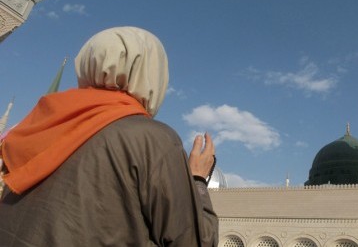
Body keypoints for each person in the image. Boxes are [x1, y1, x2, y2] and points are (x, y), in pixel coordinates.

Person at [0, 27, 218, 246]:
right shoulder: (151, 139)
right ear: (152, 74)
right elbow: (196, 242)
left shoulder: (40, 122)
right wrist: (198, 180)